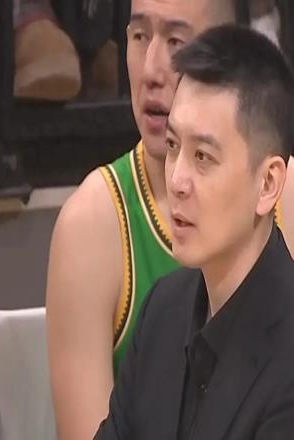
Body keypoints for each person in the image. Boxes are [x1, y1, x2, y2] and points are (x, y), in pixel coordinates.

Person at [46, 1, 238, 438]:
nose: (151, 70)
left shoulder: (282, 197)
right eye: (139, 37)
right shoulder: (91, 226)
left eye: (176, 41)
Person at [95, 24, 294, 439]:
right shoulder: (162, 311)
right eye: (172, 147)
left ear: (268, 183)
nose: (177, 180)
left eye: (202, 156)